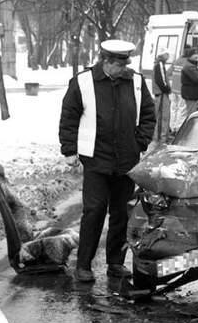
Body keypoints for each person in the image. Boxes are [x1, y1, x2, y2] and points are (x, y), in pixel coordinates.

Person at [59, 39, 156, 282]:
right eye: (119, 65)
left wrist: (140, 143)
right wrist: (69, 149)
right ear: (106, 61)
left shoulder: (135, 81)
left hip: (127, 160)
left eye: (126, 64)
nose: (124, 69)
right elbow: (69, 116)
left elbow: (148, 114)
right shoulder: (83, 81)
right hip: (96, 159)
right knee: (94, 211)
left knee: (122, 214)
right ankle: (83, 265)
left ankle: (115, 263)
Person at [169, 45, 190, 133]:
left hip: (174, 89)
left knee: (174, 108)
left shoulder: (176, 61)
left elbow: (169, 72)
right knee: (182, 108)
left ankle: (172, 127)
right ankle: (179, 128)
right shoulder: (187, 62)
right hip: (182, 89)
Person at [152, 48, 171, 144]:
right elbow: (161, 80)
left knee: (159, 116)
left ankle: (157, 137)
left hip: (158, 93)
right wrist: (167, 89)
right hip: (162, 93)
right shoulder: (160, 64)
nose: (168, 57)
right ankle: (162, 138)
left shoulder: (157, 63)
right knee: (164, 116)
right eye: (167, 55)